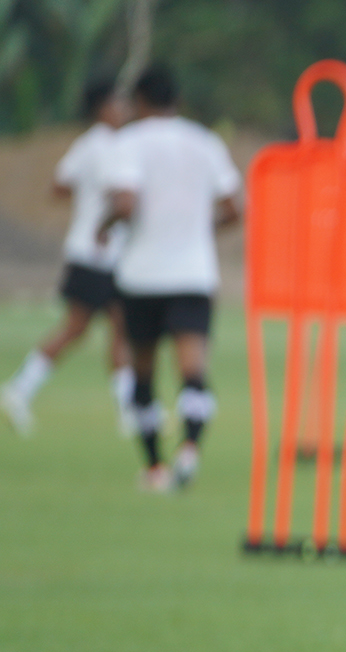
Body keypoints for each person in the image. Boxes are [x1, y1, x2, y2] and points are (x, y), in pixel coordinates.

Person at [98, 65, 242, 492]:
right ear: (176, 100)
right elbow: (234, 208)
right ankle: (190, 449)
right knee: (193, 369)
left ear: (140, 101)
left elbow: (126, 203)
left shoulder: (128, 142)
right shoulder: (205, 142)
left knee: (143, 373)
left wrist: (103, 225)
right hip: (193, 272)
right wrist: (199, 228)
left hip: (142, 274)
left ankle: (155, 467)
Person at [2, 78, 135, 438]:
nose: (124, 109)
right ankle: (20, 390)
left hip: (90, 250)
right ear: (102, 108)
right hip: (100, 251)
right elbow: (121, 197)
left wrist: (87, 194)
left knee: (107, 327)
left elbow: (60, 185)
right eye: (117, 102)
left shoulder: (87, 143)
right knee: (91, 327)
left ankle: (127, 409)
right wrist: (102, 208)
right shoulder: (108, 146)